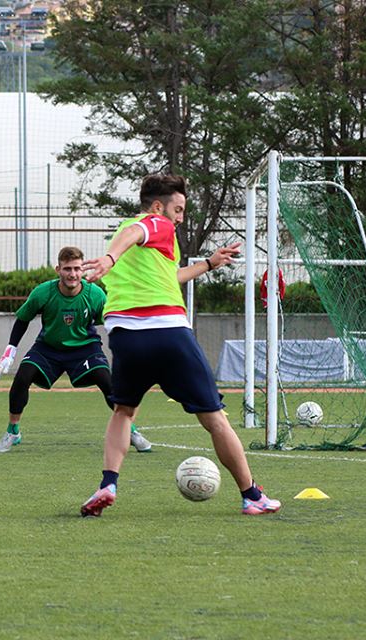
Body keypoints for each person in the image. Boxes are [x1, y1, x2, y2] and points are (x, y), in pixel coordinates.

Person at [78, 174, 280, 517]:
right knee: (215, 419)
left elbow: (167, 275)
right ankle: (252, 496)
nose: (181, 217)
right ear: (159, 206)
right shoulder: (154, 224)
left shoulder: (134, 237)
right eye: (178, 209)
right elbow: (136, 233)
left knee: (124, 411)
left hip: (126, 337)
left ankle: (108, 484)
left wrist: (208, 264)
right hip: (168, 333)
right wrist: (109, 258)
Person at [0, 246, 152, 453]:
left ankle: (131, 431)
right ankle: (13, 431)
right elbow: (23, 319)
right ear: (58, 269)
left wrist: (131, 348)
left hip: (85, 347)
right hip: (49, 347)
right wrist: (10, 351)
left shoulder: (95, 294)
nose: (72, 274)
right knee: (22, 377)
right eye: (67, 269)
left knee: (107, 380)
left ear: (82, 270)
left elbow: (112, 321)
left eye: (76, 268)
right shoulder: (43, 292)